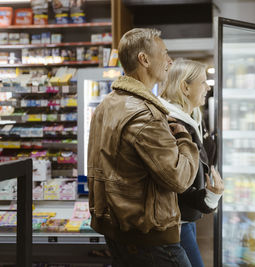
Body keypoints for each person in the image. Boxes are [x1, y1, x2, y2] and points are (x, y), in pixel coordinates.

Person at [87, 29, 200, 267]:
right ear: (144, 59)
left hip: (118, 230)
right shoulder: (145, 113)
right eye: (164, 53)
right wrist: (185, 141)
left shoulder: (107, 104)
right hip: (149, 236)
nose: (169, 61)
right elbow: (179, 178)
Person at [160, 58, 224, 267]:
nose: (207, 87)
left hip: (185, 217)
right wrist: (210, 198)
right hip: (176, 220)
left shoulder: (190, 119)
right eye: (203, 82)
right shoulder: (173, 124)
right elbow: (176, 182)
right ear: (185, 87)